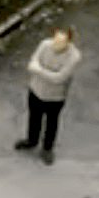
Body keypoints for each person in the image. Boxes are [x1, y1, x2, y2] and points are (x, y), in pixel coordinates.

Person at [15, 25, 81, 161]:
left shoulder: (74, 56)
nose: (55, 44)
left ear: (69, 43)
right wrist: (46, 73)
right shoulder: (45, 44)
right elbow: (31, 63)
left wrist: (39, 71)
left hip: (55, 97)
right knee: (34, 118)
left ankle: (47, 149)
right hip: (35, 90)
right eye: (55, 40)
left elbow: (59, 78)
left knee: (51, 123)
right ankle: (31, 141)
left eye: (60, 42)